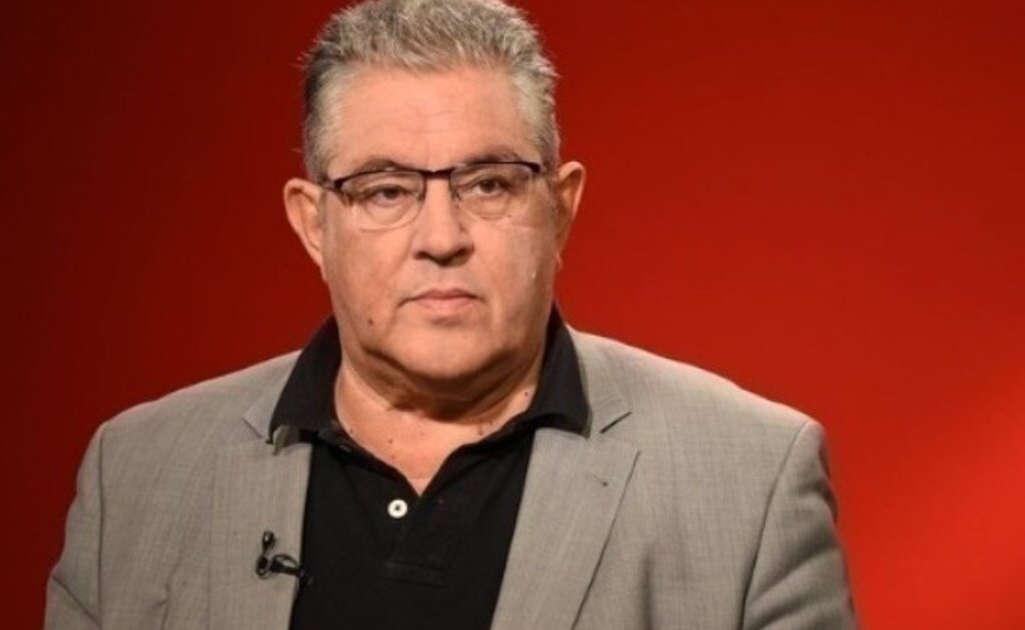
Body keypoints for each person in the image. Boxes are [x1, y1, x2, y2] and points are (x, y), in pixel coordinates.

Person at [45, 0, 857, 628]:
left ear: (560, 208)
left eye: (489, 184)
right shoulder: (139, 473)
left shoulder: (751, 479)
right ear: (313, 224)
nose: (441, 238)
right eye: (385, 190)